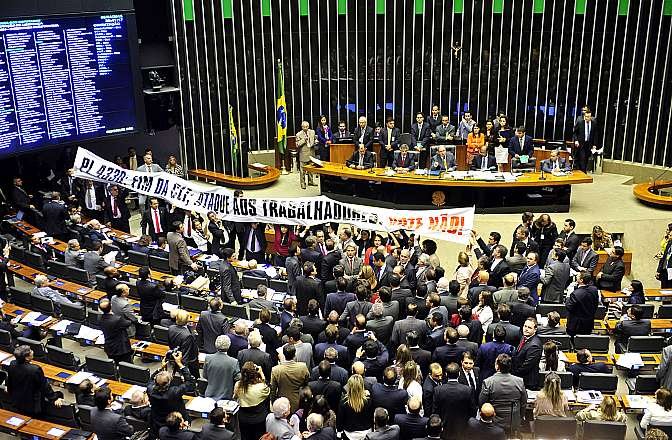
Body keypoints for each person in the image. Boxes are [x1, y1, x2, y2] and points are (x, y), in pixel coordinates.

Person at [7, 345, 65, 416]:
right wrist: (55, 398)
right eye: (30, 351)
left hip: (17, 400)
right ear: (27, 358)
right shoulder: (35, 369)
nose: (32, 351)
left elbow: (9, 381)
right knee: (59, 394)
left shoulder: (12, 363)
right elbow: (44, 386)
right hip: (32, 404)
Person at [147, 351, 196, 435]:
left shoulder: (150, 390)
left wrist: (160, 369)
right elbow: (190, 383)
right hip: (176, 422)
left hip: (157, 422)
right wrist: (180, 364)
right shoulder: (175, 392)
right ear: (169, 382)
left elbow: (150, 380)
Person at [479, 353, 527, 433]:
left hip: (494, 423)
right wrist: (519, 417)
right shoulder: (519, 382)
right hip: (513, 422)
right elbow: (523, 403)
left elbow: (482, 404)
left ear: (497, 366)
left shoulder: (488, 382)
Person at [432, 362, 476, 439]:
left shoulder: (438, 390)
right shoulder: (468, 390)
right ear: (459, 374)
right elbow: (473, 411)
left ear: (446, 374)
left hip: (444, 429)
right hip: (463, 429)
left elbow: (435, 411)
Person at [234, 362, 271, 440]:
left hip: (243, 418)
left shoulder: (238, 385)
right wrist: (261, 374)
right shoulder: (261, 387)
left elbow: (235, 397)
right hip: (259, 419)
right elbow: (268, 389)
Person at [271, 344, 310, 413]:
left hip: (282, 402)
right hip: (298, 401)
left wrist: (274, 402)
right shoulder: (303, 367)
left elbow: (273, 390)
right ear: (294, 354)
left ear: (284, 354)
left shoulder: (276, 370)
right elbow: (306, 382)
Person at [338, 374, 374, 439]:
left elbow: (340, 419)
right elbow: (371, 416)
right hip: (366, 432)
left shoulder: (344, 402)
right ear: (362, 386)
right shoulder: (368, 400)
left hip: (349, 434)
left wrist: (339, 431)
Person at [168, 309, 200, 377]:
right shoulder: (187, 335)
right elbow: (186, 354)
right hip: (190, 361)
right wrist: (184, 370)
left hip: (175, 354)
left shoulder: (171, 328)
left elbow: (170, 344)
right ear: (187, 320)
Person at [565, 272, 599, 336]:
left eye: (578, 276)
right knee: (585, 342)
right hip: (589, 322)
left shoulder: (575, 294)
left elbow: (568, 307)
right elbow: (595, 304)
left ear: (581, 280)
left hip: (576, 325)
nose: (576, 277)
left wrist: (568, 295)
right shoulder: (594, 290)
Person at [513, 317, 543, 390]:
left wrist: (514, 373)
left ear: (535, 330)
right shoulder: (525, 337)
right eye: (525, 326)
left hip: (528, 382)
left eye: (529, 327)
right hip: (521, 378)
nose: (526, 329)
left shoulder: (535, 345)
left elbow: (527, 366)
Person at [296, 121, 317, 189]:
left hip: (311, 153)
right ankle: (302, 183)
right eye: (304, 127)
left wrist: (316, 142)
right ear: (302, 127)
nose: (305, 128)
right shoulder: (298, 134)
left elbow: (314, 140)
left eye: (307, 127)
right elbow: (297, 144)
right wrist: (303, 140)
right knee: (303, 171)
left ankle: (311, 181)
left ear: (308, 126)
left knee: (311, 169)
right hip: (303, 154)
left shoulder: (312, 132)